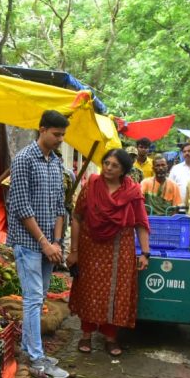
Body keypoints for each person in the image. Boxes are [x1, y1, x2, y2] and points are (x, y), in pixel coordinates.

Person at [7, 109, 70, 378]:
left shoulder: (56, 163)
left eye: (62, 136)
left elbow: (60, 207)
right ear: (42, 129)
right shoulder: (23, 160)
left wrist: (56, 242)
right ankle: (35, 356)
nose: (60, 140)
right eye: (56, 134)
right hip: (28, 243)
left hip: (48, 246)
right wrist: (45, 243)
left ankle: (29, 348)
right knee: (32, 299)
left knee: (39, 298)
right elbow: (21, 207)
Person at [68, 149, 151, 356]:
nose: (108, 168)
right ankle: (86, 335)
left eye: (114, 165)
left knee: (116, 291)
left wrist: (145, 252)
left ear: (124, 170)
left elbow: (141, 223)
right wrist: (74, 251)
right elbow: (77, 217)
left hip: (119, 246)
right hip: (90, 245)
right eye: (106, 163)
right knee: (88, 287)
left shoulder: (132, 192)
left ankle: (110, 337)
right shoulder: (92, 186)